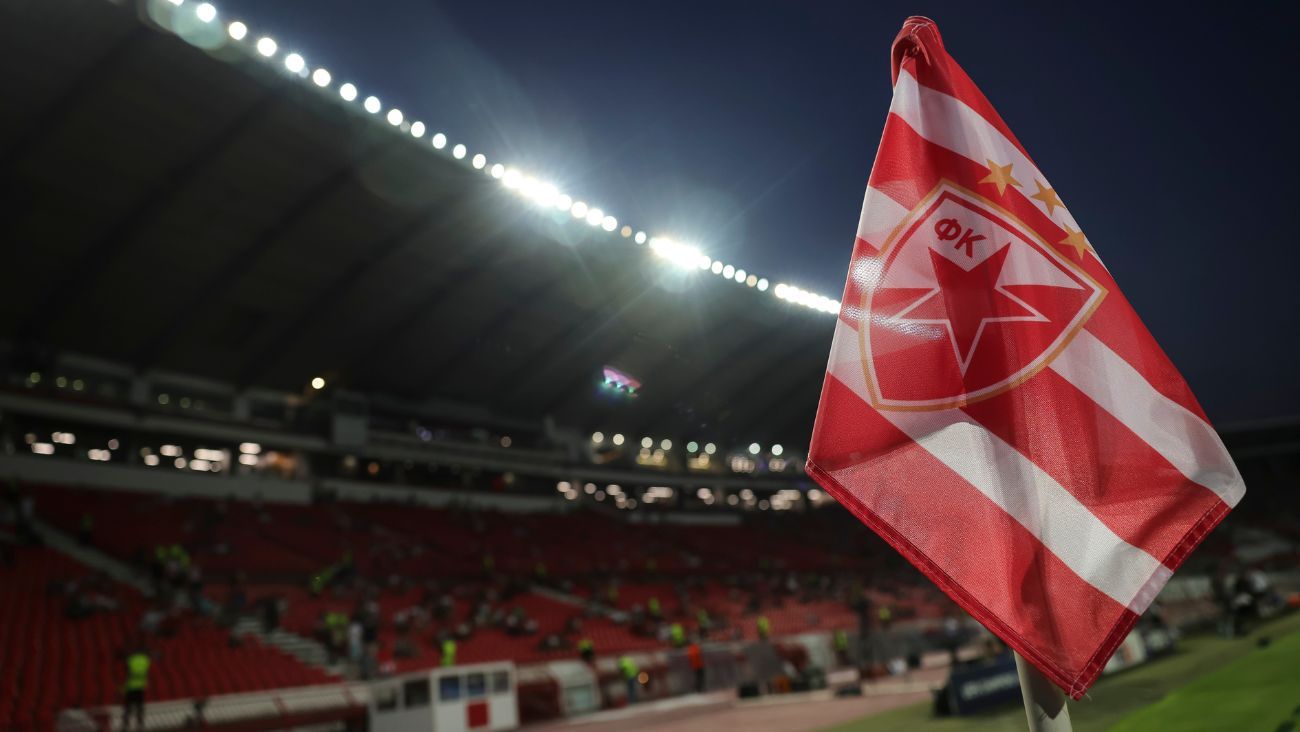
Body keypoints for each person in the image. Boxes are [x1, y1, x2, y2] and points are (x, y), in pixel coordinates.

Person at [122, 647, 151, 729]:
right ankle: (140, 724)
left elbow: (128, 671)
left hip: (131, 686)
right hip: (141, 687)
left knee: (128, 707)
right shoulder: (146, 660)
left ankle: (125, 725)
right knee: (140, 707)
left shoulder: (131, 659)